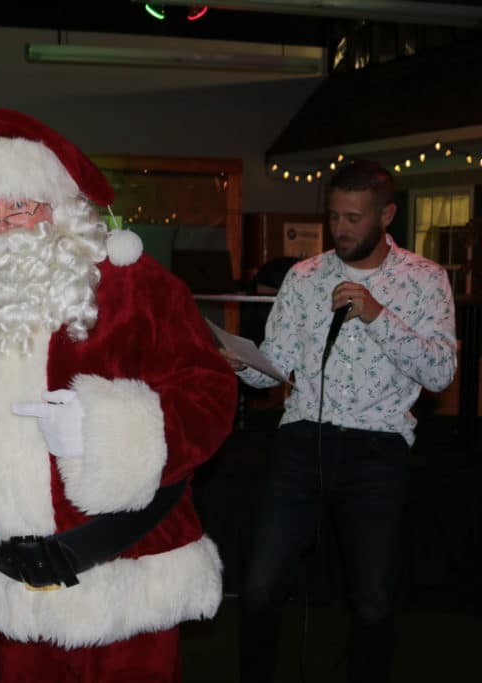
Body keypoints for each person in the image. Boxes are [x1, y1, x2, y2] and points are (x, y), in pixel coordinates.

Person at [0, 109, 237, 682]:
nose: (3, 226)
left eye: (20, 206)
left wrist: (112, 436)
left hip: (130, 580)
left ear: (57, 211)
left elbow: (210, 390)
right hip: (17, 599)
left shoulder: (134, 284)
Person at [228, 160, 457, 682]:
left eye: (354, 218)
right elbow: (278, 367)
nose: (342, 229)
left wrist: (378, 315)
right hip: (301, 439)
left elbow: (441, 372)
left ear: (387, 215)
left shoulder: (425, 279)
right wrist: (246, 366)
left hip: (379, 449)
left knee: (373, 602)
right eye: (335, 217)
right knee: (261, 588)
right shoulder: (304, 277)